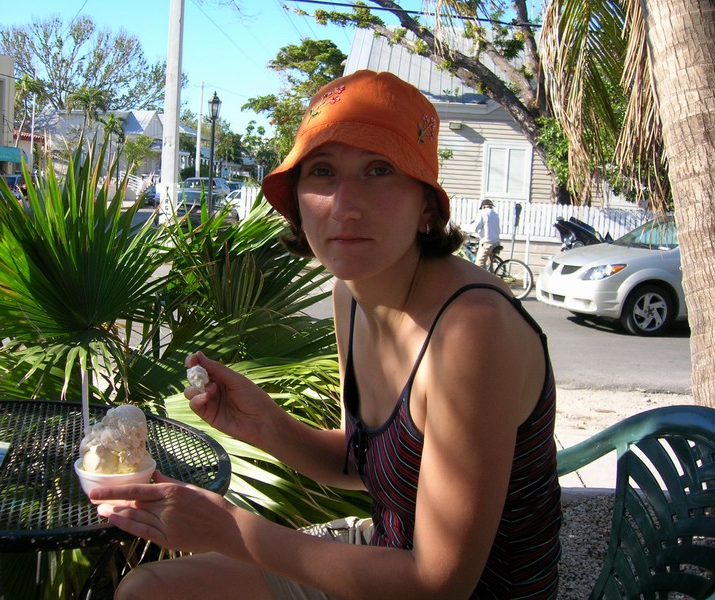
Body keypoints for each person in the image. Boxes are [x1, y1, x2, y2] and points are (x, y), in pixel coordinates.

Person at [91, 70, 562, 599]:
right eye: (322, 172)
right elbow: (360, 464)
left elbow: (439, 583)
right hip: (387, 552)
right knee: (148, 590)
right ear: (297, 200)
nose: (344, 203)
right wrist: (266, 425)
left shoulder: (473, 330)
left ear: (427, 205)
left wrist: (230, 529)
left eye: (379, 170)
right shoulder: (351, 295)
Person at [470, 199, 501, 270]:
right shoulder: (495, 214)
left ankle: (481, 280)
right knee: (489, 264)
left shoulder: (483, 213)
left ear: (483, 207)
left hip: (487, 243)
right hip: (496, 242)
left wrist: (461, 226)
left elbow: (474, 228)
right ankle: (491, 278)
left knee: (478, 265)